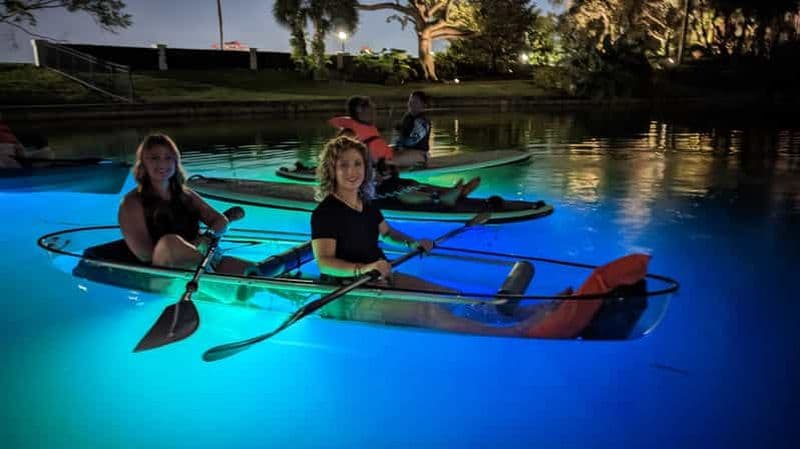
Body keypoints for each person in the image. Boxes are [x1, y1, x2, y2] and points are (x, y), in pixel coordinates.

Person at [311, 135, 551, 336]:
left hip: (380, 278)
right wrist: (364, 269)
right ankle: (515, 332)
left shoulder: (366, 204)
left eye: (357, 164)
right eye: (343, 165)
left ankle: (519, 313)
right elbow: (325, 262)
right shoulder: (325, 213)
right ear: (331, 170)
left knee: (450, 297)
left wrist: (412, 242)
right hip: (346, 296)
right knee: (427, 310)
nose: (352, 171)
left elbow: (387, 233)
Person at [118, 133, 257, 275]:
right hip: (162, 273)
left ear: (176, 162)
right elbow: (145, 255)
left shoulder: (185, 194)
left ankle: (213, 275)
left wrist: (207, 237)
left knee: (251, 271)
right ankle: (211, 277)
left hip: (203, 259)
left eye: (168, 158)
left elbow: (220, 220)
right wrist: (188, 248)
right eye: (154, 158)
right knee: (169, 243)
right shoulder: (132, 203)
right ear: (143, 163)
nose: (162, 163)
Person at [330, 96, 480, 207]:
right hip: (369, 188)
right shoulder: (349, 134)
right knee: (400, 191)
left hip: (383, 179)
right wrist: (372, 173)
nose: (374, 112)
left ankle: (456, 192)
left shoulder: (364, 130)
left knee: (413, 183)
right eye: (371, 108)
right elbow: (342, 163)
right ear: (360, 110)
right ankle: (440, 199)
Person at [395, 90, 432, 157]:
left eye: (415, 102)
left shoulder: (423, 122)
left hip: (420, 153)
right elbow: (400, 132)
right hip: (406, 150)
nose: (411, 104)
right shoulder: (407, 117)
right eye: (410, 101)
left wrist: (400, 145)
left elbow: (411, 141)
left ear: (423, 104)